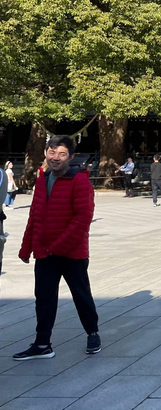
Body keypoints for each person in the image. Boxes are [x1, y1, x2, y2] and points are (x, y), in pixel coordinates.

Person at [14, 135, 100, 360]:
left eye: (62, 154)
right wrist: (26, 248)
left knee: (81, 295)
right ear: (45, 153)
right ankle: (42, 344)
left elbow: (83, 219)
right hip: (44, 252)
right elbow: (35, 215)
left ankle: (92, 333)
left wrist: (58, 246)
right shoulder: (42, 178)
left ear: (70, 157)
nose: (56, 158)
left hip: (72, 253)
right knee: (43, 298)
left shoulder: (80, 181)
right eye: (52, 152)